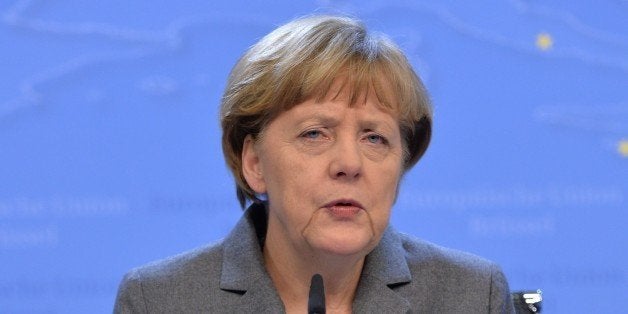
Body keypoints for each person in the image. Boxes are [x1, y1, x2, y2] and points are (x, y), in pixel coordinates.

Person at [114, 15, 515, 313]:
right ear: (253, 162)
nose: (349, 164)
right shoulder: (160, 299)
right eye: (315, 134)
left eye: (375, 138)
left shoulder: (471, 295)